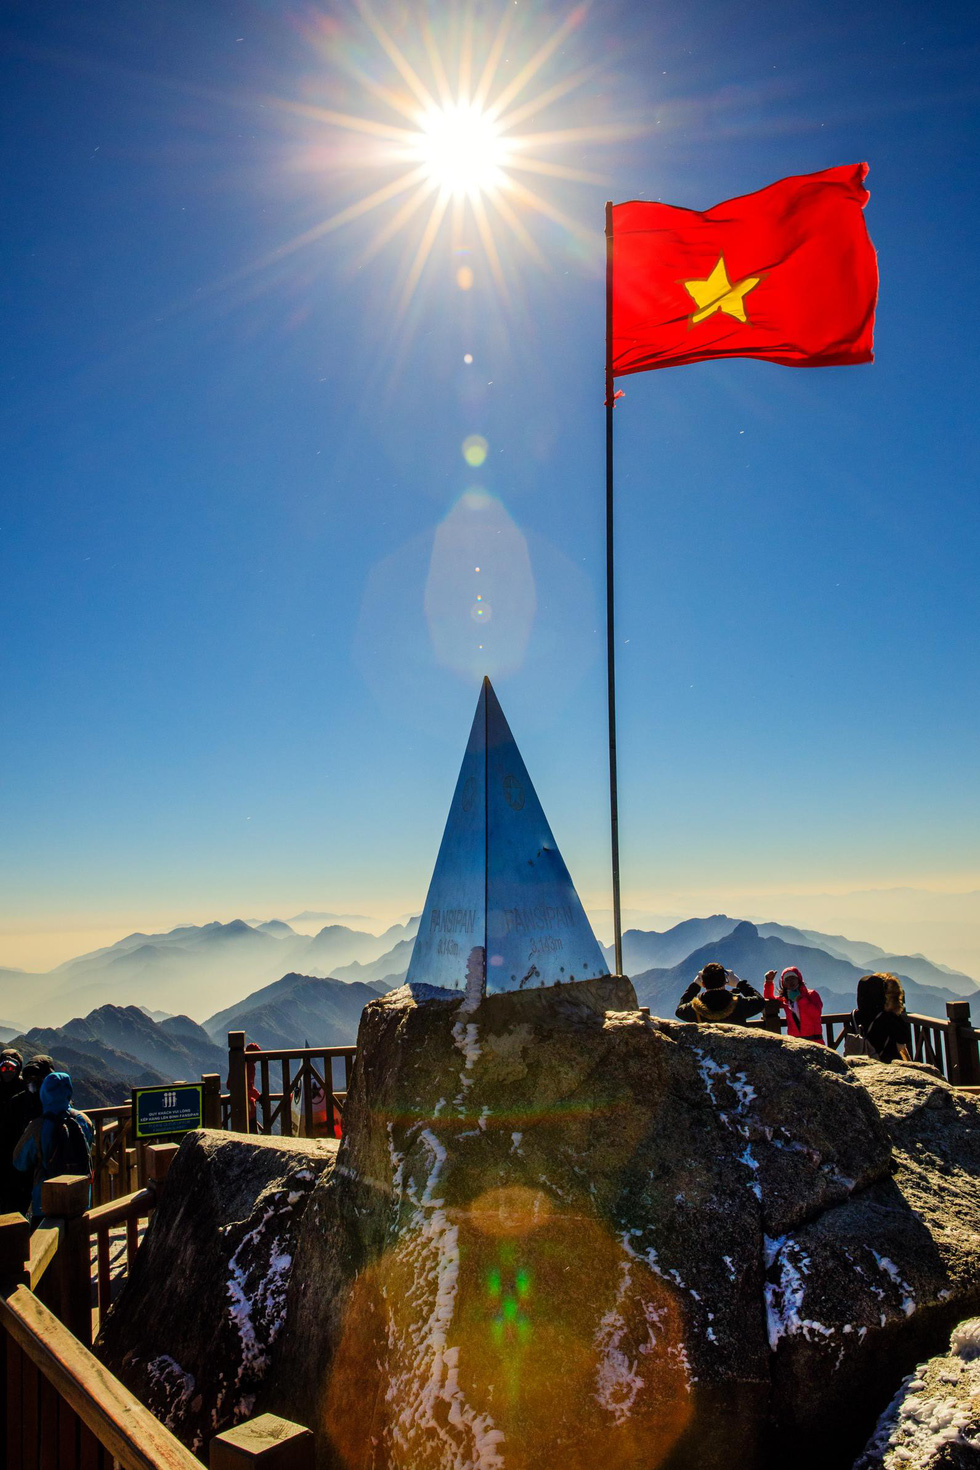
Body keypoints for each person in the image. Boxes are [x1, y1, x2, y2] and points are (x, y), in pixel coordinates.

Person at [13, 1071, 94, 1222]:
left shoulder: (38, 1126)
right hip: (79, 1196)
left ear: (44, 1093)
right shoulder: (83, 1120)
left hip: (46, 1202)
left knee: (44, 1242)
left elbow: (20, 1162)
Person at [847, 973, 912, 1063]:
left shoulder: (855, 1015)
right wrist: (895, 1009)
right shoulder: (886, 1017)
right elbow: (905, 1037)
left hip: (862, 1062)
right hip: (887, 1065)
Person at [675, 963, 765, 1025]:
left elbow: (679, 1010)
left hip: (708, 1052)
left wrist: (695, 986)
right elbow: (760, 1002)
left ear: (703, 984)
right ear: (725, 981)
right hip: (736, 1050)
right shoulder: (738, 1004)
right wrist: (739, 983)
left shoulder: (695, 1008)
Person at [763, 966, 825, 1043]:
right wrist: (768, 981)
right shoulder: (785, 999)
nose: (790, 981)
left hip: (815, 1041)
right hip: (795, 1043)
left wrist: (800, 999)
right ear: (784, 984)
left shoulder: (811, 994)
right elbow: (769, 998)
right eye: (787, 980)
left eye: (792, 978)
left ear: (798, 979)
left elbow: (816, 1014)